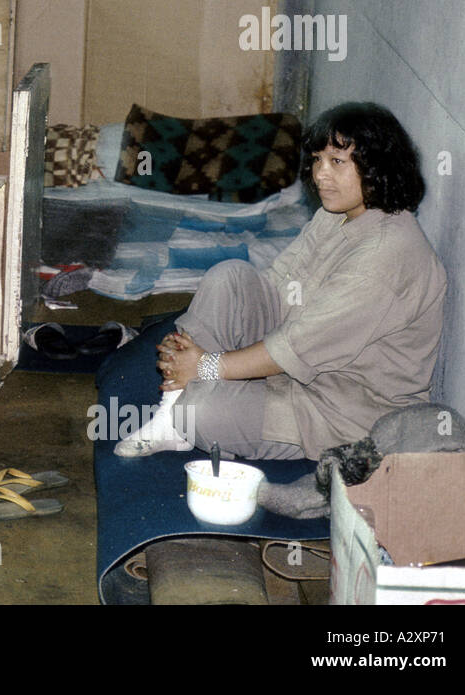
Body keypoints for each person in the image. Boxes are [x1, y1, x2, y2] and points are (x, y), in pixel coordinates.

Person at [115, 102, 446, 461]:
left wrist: (208, 364)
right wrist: (194, 355)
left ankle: (182, 408)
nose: (320, 174)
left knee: (203, 411)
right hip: (298, 369)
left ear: (378, 167)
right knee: (231, 278)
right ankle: (174, 409)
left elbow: (298, 346)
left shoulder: (386, 256)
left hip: (340, 410)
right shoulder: (339, 215)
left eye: (337, 162)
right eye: (318, 160)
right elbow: (275, 286)